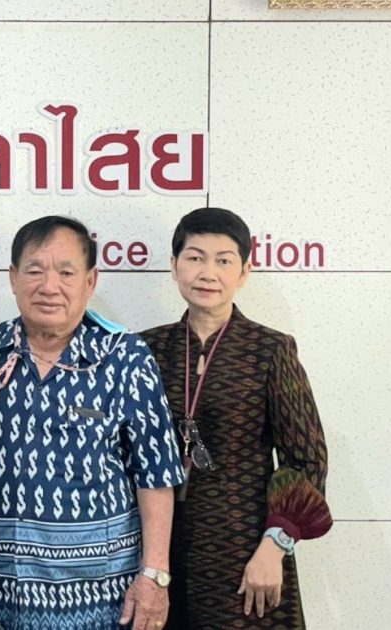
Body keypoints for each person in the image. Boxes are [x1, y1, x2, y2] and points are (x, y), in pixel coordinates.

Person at [0, 215, 185, 630]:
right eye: (35, 270)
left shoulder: (125, 357)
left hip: (100, 598)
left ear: (90, 281)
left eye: (66, 272)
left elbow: (156, 474)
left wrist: (155, 575)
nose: (49, 286)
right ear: (13, 278)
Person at [140, 207, 332, 629]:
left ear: (244, 272)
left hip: (246, 553)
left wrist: (274, 547)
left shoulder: (270, 349)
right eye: (195, 257)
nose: (208, 272)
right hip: (158, 553)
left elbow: (307, 459)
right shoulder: (145, 350)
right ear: (174, 266)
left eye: (223, 260)